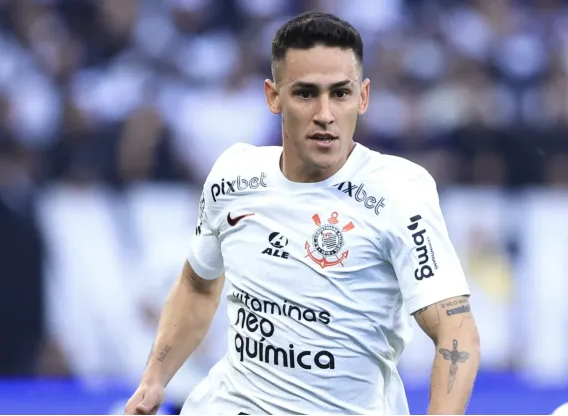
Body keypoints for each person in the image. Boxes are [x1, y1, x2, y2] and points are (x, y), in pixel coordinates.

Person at [124, 11, 480, 415]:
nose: (325, 113)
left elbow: (456, 331)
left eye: (340, 94)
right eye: (306, 93)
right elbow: (198, 284)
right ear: (273, 97)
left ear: (363, 97)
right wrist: (155, 377)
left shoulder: (398, 193)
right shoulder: (234, 175)